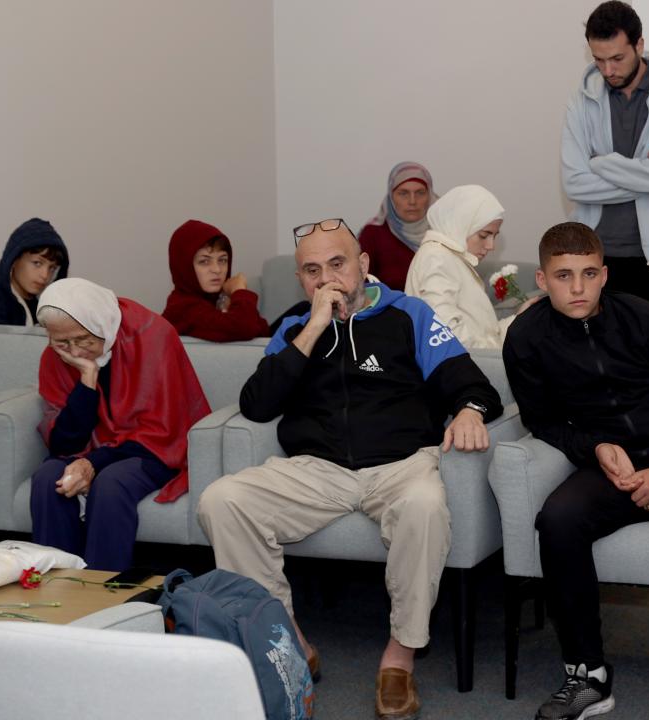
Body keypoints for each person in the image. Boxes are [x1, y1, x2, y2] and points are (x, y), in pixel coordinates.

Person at [196, 218, 503, 720]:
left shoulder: (410, 314)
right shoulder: (294, 329)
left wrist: (469, 410)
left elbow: (473, 385)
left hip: (401, 465)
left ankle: (400, 657)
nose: (327, 279)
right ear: (301, 279)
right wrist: (314, 327)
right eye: (312, 270)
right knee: (222, 500)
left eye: (337, 264)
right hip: (316, 469)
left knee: (425, 506)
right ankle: (290, 641)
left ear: (362, 264)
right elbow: (257, 404)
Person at [504, 222, 649, 720]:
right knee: (559, 519)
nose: (578, 288)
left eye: (589, 274)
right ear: (542, 280)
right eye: (564, 275)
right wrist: (595, 448)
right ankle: (587, 677)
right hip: (614, 465)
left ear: (605, 275)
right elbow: (542, 421)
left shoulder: (645, 318)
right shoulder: (526, 338)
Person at [30, 278, 210, 571]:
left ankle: (102, 591)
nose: (74, 352)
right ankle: (56, 585)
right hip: (93, 451)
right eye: (62, 342)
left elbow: (161, 431)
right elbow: (64, 444)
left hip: (156, 449)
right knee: (48, 478)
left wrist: (93, 464)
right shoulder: (56, 356)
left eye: (83, 339)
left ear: (101, 324)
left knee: (112, 482)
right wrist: (87, 380)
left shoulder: (152, 336)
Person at [561, 1, 649, 329]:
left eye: (617, 58)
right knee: (599, 356)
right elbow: (575, 184)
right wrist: (645, 168)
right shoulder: (580, 101)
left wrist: (602, 163)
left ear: (639, 45)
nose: (608, 70)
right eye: (598, 60)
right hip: (597, 259)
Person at [404, 185, 535, 350]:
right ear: (461, 225)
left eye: (494, 236)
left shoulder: (451, 257)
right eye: (484, 235)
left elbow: (483, 333)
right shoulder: (436, 257)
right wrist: (492, 355)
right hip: (464, 363)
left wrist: (519, 320)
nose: (491, 246)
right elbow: (447, 336)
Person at [162, 219, 270, 342]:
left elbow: (263, 330)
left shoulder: (217, 299)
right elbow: (244, 327)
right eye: (204, 261)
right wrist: (239, 290)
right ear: (184, 267)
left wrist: (229, 303)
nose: (217, 269)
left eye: (222, 260)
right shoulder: (182, 308)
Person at [0, 218, 70, 326]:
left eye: (52, 268)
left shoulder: (40, 306)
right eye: (37, 263)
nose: (45, 275)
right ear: (14, 260)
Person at [360, 161, 439, 290]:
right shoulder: (373, 235)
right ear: (391, 197)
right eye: (403, 193)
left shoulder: (443, 232)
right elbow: (361, 285)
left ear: (430, 196)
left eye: (420, 193)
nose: (412, 201)